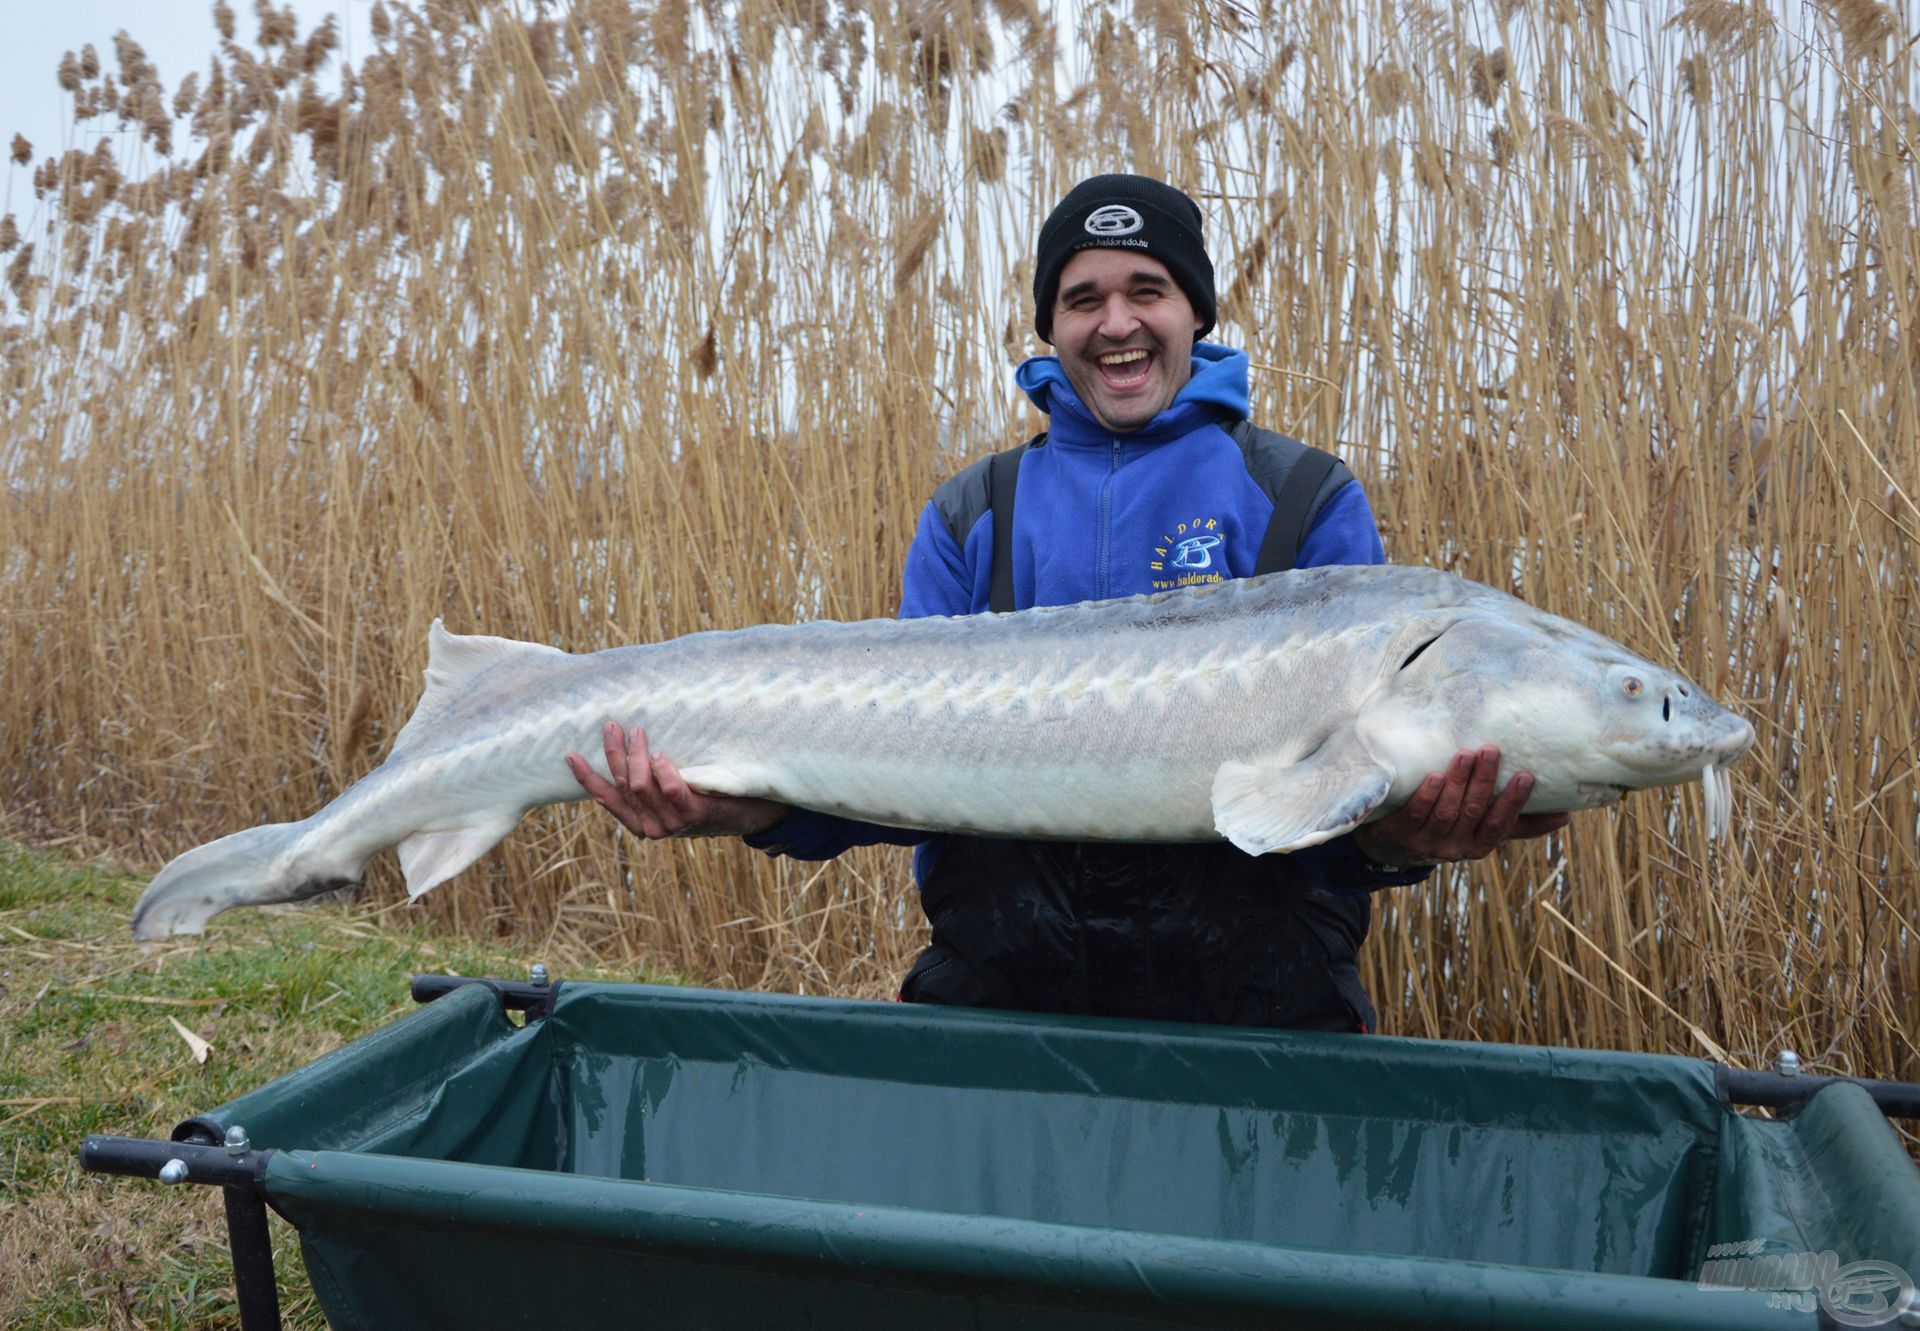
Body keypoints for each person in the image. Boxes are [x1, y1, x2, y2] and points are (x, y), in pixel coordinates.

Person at [566, 175, 1568, 1032]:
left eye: (1149, 289)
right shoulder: (974, 511)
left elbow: (1356, 818)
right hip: (1003, 999)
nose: (1117, 321)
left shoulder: (1305, 497)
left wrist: (1404, 838)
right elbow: (880, 777)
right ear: (1050, 326)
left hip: (1262, 1011)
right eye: (1083, 297)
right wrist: (746, 806)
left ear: (1195, 313)